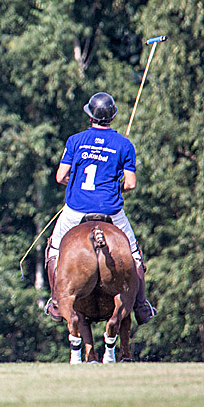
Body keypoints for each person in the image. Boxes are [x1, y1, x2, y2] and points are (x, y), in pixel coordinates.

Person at [44, 92, 157, 325]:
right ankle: (141, 305)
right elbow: (131, 183)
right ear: (112, 117)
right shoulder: (124, 145)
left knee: (54, 251)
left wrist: (75, 186)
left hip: (76, 209)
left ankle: (56, 301)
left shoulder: (74, 140)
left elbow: (60, 176)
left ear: (89, 116)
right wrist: (116, 190)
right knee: (135, 255)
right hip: (111, 211)